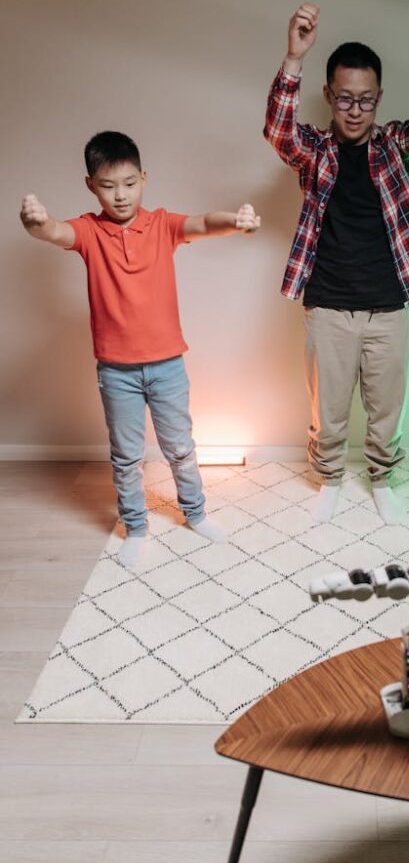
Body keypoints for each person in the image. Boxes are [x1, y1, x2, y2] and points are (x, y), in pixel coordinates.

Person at [19, 131, 260, 567]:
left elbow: (204, 222)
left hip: (168, 365)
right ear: (91, 185)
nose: (120, 195)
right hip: (116, 372)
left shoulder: (162, 225)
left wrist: (236, 220)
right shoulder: (89, 232)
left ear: (144, 178)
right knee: (126, 456)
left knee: (181, 448)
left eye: (129, 183)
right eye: (108, 186)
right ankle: (136, 526)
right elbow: (53, 231)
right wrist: (35, 223)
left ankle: (196, 513)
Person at [265, 3, 409, 523]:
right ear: (329, 96)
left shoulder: (394, 145)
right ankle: (328, 478)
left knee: (386, 410)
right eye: (345, 99)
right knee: (327, 412)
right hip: (328, 304)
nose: (355, 110)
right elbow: (279, 133)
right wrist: (293, 57)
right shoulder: (314, 150)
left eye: (366, 100)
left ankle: (381, 478)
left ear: (378, 98)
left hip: (387, 306)